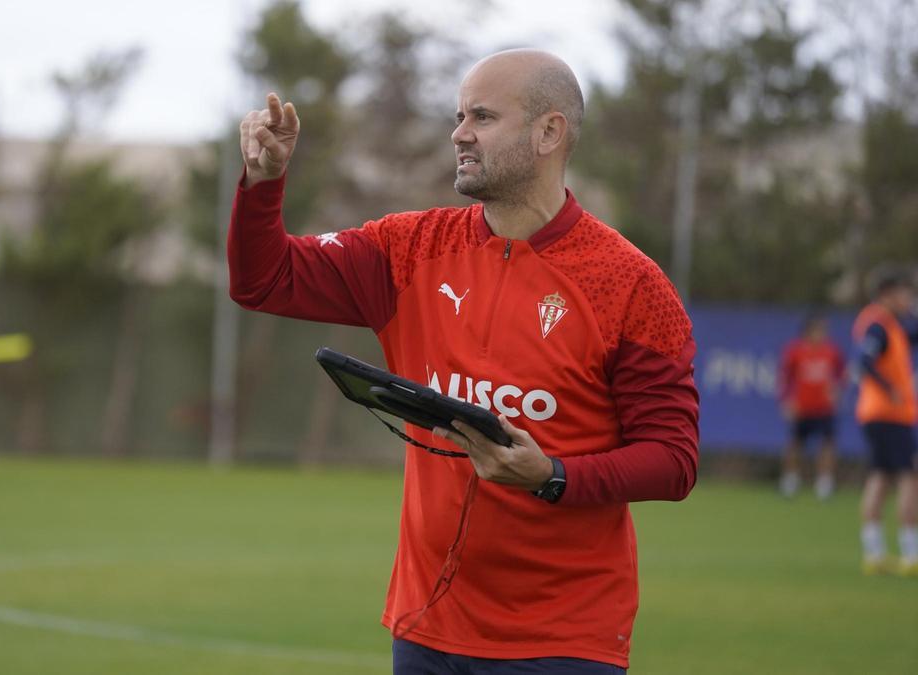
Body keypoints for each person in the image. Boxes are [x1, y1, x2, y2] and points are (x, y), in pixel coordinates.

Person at [229, 49, 698, 673]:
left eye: (482, 115)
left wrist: (553, 476)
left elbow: (673, 459)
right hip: (426, 629)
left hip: (563, 641)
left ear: (548, 132)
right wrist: (263, 184)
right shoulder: (410, 246)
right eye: (458, 115)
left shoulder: (631, 284)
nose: (459, 133)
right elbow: (264, 280)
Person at [853, 270, 918, 575]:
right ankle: (910, 552)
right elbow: (864, 360)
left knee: (880, 479)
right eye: (904, 294)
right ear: (888, 294)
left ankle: (875, 552)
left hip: (882, 414)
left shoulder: (891, 325)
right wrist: (889, 387)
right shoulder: (878, 324)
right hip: (888, 414)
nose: (908, 300)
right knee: (909, 477)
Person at [778, 313, 845, 499]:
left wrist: (837, 389)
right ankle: (790, 480)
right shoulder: (795, 352)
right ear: (808, 332)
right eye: (817, 331)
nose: (822, 334)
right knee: (795, 445)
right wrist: (786, 400)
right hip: (802, 407)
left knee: (827, 445)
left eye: (823, 331)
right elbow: (784, 377)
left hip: (824, 407)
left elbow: (842, 373)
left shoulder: (832, 351)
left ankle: (824, 483)